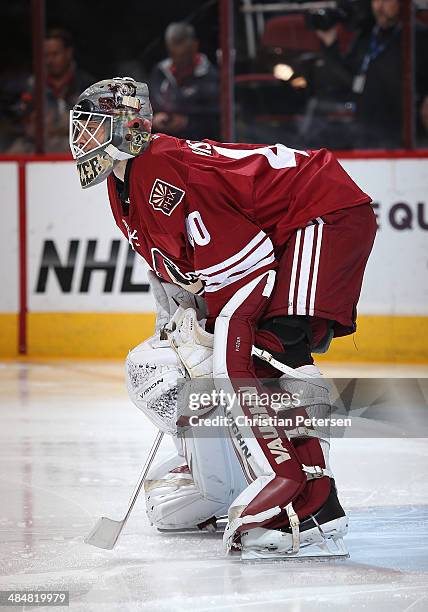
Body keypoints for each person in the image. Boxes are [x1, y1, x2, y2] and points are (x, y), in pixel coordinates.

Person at [69, 77, 376, 559]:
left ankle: (313, 501)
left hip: (321, 209)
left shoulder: (160, 170)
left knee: (269, 350)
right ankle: (231, 476)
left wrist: (224, 336)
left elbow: (245, 264)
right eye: (82, 127)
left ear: (128, 128)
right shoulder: (122, 183)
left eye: (94, 126)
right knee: (206, 357)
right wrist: (184, 325)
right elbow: (172, 275)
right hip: (290, 222)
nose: (83, 138)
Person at [316, 0, 428, 148]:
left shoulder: (418, 35)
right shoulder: (366, 35)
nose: (379, 6)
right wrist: (330, 45)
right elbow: (346, 81)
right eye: (375, 0)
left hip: (404, 138)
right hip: (366, 134)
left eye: (386, 0)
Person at [9, 28, 93, 153]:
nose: (49, 61)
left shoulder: (87, 86)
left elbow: (98, 126)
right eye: (46, 56)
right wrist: (28, 124)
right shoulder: (31, 86)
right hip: (36, 148)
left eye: (55, 54)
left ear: (68, 53)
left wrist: (63, 127)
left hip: (75, 147)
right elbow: (15, 121)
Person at [149, 22, 219, 140]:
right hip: (163, 142)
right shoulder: (160, 72)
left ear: (195, 46)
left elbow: (217, 119)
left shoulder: (212, 77)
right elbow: (149, 104)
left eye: (184, 56)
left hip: (199, 144)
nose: (178, 60)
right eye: (173, 55)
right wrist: (154, 119)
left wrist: (187, 122)